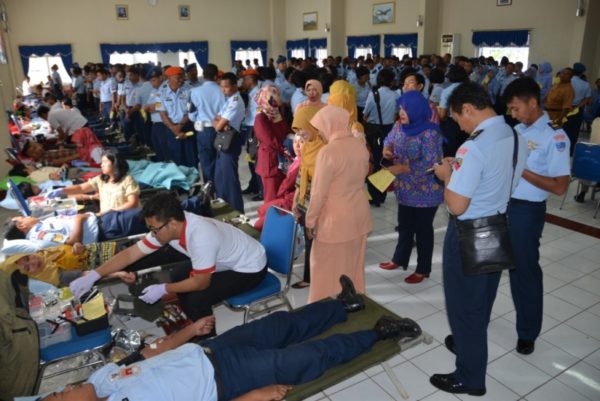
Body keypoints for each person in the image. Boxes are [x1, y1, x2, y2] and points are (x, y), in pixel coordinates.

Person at [41, 277, 421, 401]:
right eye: (59, 397)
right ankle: (378, 332)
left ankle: (343, 306)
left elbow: (148, 352)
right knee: (309, 357)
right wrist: (251, 396)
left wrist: (189, 330)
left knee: (280, 326)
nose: (64, 390)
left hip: (211, 349)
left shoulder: (100, 379)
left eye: (57, 391)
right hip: (224, 381)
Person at [431, 81, 527, 395]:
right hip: (497, 226)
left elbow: (457, 205)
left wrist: (447, 176)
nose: (459, 125)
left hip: (467, 235)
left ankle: (469, 377)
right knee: (481, 299)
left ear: (469, 109)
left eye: (459, 119)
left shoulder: (473, 147)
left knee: (463, 307)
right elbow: (508, 183)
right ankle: (466, 342)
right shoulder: (515, 135)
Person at [68, 191, 266, 324]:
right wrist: (94, 275)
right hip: (228, 258)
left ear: (171, 223)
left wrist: (164, 289)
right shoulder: (171, 227)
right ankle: (192, 321)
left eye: (154, 229)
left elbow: (201, 283)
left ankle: (207, 340)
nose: (152, 234)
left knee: (195, 299)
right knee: (179, 274)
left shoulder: (201, 236)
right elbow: (131, 253)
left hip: (249, 268)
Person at [503, 77, 570, 354]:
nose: (512, 114)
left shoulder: (554, 137)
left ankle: (527, 331)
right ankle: (474, 324)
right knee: (488, 266)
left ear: (532, 102)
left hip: (526, 212)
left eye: (516, 108)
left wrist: (522, 169)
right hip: (503, 204)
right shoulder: (517, 130)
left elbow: (560, 186)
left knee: (524, 273)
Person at [305, 105, 372, 303]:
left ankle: (325, 309)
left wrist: (310, 222)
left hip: (334, 220)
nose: (320, 134)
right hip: (359, 214)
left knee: (325, 269)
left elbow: (318, 194)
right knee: (353, 265)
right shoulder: (360, 145)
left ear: (330, 125)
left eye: (321, 128)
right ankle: (354, 302)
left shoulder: (328, 152)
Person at [378, 91, 444, 284]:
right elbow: (388, 141)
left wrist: (404, 167)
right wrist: (387, 150)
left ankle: (423, 269)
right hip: (405, 187)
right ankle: (399, 259)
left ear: (416, 109)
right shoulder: (399, 127)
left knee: (423, 229)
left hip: (426, 190)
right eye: (400, 108)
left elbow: (432, 164)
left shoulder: (430, 132)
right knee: (405, 225)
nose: (401, 112)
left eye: (405, 109)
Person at [47, 149, 140, 215]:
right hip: (107, 218)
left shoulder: (128, 180)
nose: (101, 165)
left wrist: (110, 211)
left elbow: (132, 203)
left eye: (105, 162)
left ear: (114, 163)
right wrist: (62, 191)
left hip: (124, 218)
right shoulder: (101, 179)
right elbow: (81, 188)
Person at [363, 69, 399, 206]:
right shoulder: (396, 95)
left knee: (375, 162)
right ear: (391, 81)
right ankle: (381, 194)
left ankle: (374, 196)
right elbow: (396, 115)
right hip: (389, 131)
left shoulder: (373, 94)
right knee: (386, 162)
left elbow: (365, 114)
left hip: (374, 132)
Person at [213, 72, 246, 213]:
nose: (223, 90)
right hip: (224, 140)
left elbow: (217, 126)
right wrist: (219, 122)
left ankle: (237, 211)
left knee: (230, 179)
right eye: (221, 87)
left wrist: (220, 123)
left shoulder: (236, 101)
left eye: (226, 87)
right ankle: (223, 208)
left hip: (231, 142)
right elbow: (216, 119)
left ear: (234, 86)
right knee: (220, 178)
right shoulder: (228, 100)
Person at [189, 63, 225, 183]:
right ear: (216, 76)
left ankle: (210, 191)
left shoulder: (194, 92)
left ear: (203, 76)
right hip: (222, 129)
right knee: (221, 160)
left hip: (204, 130)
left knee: (206, 162)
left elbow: (191, 114)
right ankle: (222, 190)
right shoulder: (223, 91)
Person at [253, 85, 289, 202]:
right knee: (271, 197)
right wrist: (284, 149)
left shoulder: (276, 114)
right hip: (270, 162)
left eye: (277, 96)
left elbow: (285, 132)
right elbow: (269, 140)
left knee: (281, 194)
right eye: (273, 97)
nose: (277, 99)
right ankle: (268, 219)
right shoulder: (260, 118)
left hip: (281, 160)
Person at [157, 66, 197, 167]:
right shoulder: (160, 93)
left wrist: (179, 127)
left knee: (191, 157)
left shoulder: (190, 90)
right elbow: (162, 114)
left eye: (182, 77)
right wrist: (174, 129)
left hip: (187, 127)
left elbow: (191, 110)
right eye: (178, 78)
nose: (181, 80)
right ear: (169, 78)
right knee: (176, 157)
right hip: (171, 129)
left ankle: (195, 180)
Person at [562, 62, 593, 155]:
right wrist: (578, 106)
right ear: (582, 73)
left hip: (564, 108)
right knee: (574, 132)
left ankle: (560, 151)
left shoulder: (566, 82)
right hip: (577, 110)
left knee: (562, 130)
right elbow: (587, 98)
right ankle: (570, 152)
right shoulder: (585, 84)